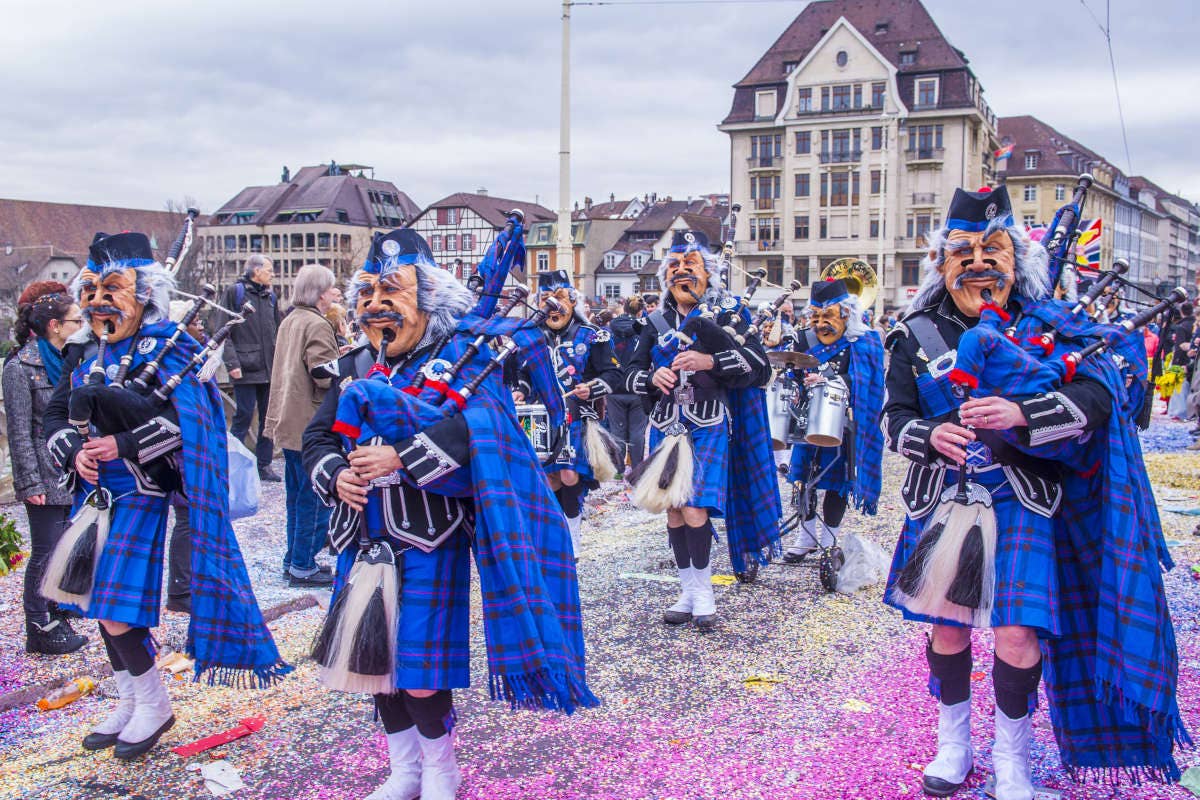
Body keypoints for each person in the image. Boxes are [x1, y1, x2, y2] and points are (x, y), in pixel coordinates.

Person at [883, 186, 1187, 797]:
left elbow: (1100, 401)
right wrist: (930, 433)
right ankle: (954, 746)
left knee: (1016, 632)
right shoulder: (914, 334)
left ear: (1016, 261)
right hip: (944, 496)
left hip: (1024, 499)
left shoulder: (1050, 325)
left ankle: (1011, 762)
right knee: (948, 628)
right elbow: (893, 418)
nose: (978, 265)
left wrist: (1022, 415)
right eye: (963, 253)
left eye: (992, 251)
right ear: (943, 265)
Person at [301, 229, 596, 800]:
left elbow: (482, 434)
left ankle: (441, 772)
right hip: (360, 533)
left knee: (419, 669)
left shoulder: (461, 357)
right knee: (376, 665)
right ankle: (404, 771)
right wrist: (336, 474)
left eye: (392, 291)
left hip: (427, 534)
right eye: (367, 293)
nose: (375, 305)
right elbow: (318, 437)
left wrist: (401, 457)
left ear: (429, 298)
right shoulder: (357, 362)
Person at [43, 232, 287, 760]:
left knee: (113, 605)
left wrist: (121, 442)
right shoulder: (85, 348)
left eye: (113, 289)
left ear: (144, 291)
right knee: (94, 601)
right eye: (91, 289)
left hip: (143, 488)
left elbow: (192, 423)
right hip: (96, 490)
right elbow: (56, 413)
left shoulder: (169, 346)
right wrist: (73, 450)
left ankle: (153, 702)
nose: (98, 302)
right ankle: (130, 699)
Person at [624, 230, 781, 629]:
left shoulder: (729, 316)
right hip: (665, 424)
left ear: (708, 275)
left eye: (690, 265)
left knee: (694, 508)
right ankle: (687, 591)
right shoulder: (654, 321)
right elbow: (628, 373)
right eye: (674, 266)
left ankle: (705, 592)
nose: (682, 272)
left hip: (709, 424)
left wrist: (710, 362)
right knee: (674, 511)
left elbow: (759, 369)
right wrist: (650, 376)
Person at [513, 269, 623, 555]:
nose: (553, 304)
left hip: (575, 413)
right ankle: (554, 532)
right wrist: (520, 390)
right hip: (536, 415)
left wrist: (591, 388)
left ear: (573, 302)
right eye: (546, 298)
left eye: (559, 297)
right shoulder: (529, 336)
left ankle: (573, 534)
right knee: (547, 478)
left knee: (570, 475)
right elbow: (522, 373)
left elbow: (613, 375)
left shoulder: (592, 335)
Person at [3, 290, 88, 654]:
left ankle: (56, 608)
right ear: (55, 326)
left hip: (69, 470)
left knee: (63, 547)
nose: (81, 327)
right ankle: (38, 625)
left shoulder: (70, 361)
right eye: (75, 321)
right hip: (43, 473)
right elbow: (19, 432)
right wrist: (29, 482)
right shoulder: (20, 367)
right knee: (44, 551)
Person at [781, 279, 884, 563]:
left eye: (828, 316)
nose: (821, 323)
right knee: (803, 477)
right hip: (808, 419)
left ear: (846, 313)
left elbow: (870, 381)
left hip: (845, 421)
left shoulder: (865, 341)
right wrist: (794, 385)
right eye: (817, 316)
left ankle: (828, 539)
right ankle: (805, 537)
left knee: (838, 481)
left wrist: (832, 379)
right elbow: (793, 372)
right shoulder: (804, 339)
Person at [264, 264, 340, 588]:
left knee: (295, 497)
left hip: (288, 420)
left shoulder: (290, 321)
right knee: (314, 497)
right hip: (311, 422)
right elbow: (322, 374)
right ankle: (303, 564)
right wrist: (348, 365)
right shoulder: (317, 325)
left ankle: (294, 560)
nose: (335, 293)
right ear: (321, 293)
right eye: (332, 288)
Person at [221, 254, 282, 481]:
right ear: (255, 271)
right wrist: (232, 363)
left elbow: (277, 329)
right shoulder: (235, 293)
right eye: (269, 269)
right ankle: (233, 463)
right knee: (243, 415)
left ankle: (263, 465)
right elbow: (224, 330)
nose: (272, 274)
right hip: (245, 367)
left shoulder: (270, 297)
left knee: (269, 418)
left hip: (269, 367)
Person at [607, 296, 649, 473]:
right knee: (638, 432)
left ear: (624, 309)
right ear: (640, 311)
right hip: (637, 385)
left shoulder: (610, 329)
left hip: (615, 387)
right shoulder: (643, 329)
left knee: (617, 431)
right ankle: (637, 470)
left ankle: (618, 470)